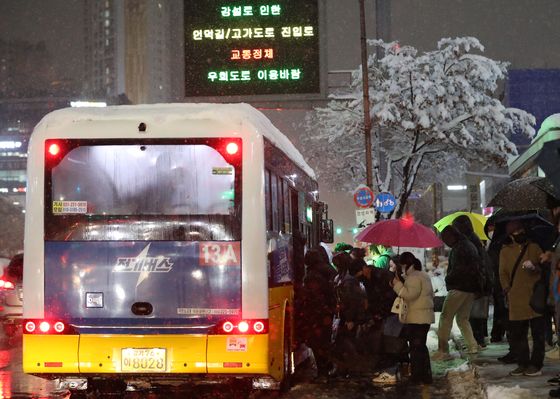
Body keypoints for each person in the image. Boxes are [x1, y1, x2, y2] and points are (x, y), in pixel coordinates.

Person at [499, 220, 545, 377]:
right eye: (515, 232)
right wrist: (507, 288)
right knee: (519, 334)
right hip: (516, 298)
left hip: (535, 298)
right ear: (510, 235)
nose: (519, 233)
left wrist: (535, 266)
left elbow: (544, 267)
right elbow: (502, 273)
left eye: (520, 230)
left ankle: (536, 364)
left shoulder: (534, 247)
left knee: (538, 334)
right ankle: (523, 363)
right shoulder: (505, 251)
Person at [433, 225, 481, 360]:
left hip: (459, 287)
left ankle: (443, 350)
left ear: (451, 236)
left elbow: (458, 270)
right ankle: (472, 346)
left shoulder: (459, 248)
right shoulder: (469, 245)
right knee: (462, 318)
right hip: (470, 288)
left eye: (445, 239)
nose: (445, 242)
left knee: (445, 317)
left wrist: (448, 278)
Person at [391, 252, 435, 384]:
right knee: (420, 347)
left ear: (405, 264)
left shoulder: (415, 277)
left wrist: (396, 285)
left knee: (416, 348)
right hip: (422, 317)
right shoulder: (421, 275)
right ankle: (425, 376)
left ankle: (417, 377)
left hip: (417, 318)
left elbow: (410, 295)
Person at [452, 215, 493, 348]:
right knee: (475, 315)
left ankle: (477, 341)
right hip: (478, 282)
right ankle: (477, 340)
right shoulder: (472, 239)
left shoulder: (469, 241)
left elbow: (475, 264)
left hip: (475, 283)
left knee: (474, 315)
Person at [300, 248, 337, 375]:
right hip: (327, 313)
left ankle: (323, 370)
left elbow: (313, 296)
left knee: (317, 343)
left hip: (316, 314)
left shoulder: (312, 275)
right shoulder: (329, 270)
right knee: (324, 341)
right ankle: (327, 367)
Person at [330, 257, 367, 377]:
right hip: (344, 316)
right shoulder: (345, 279)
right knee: (343, 342)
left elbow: (351, 301)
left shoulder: (347, 281)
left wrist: (350, 319)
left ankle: (351, 368)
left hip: (347, 317)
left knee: (346, 343)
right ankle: (347, 369)